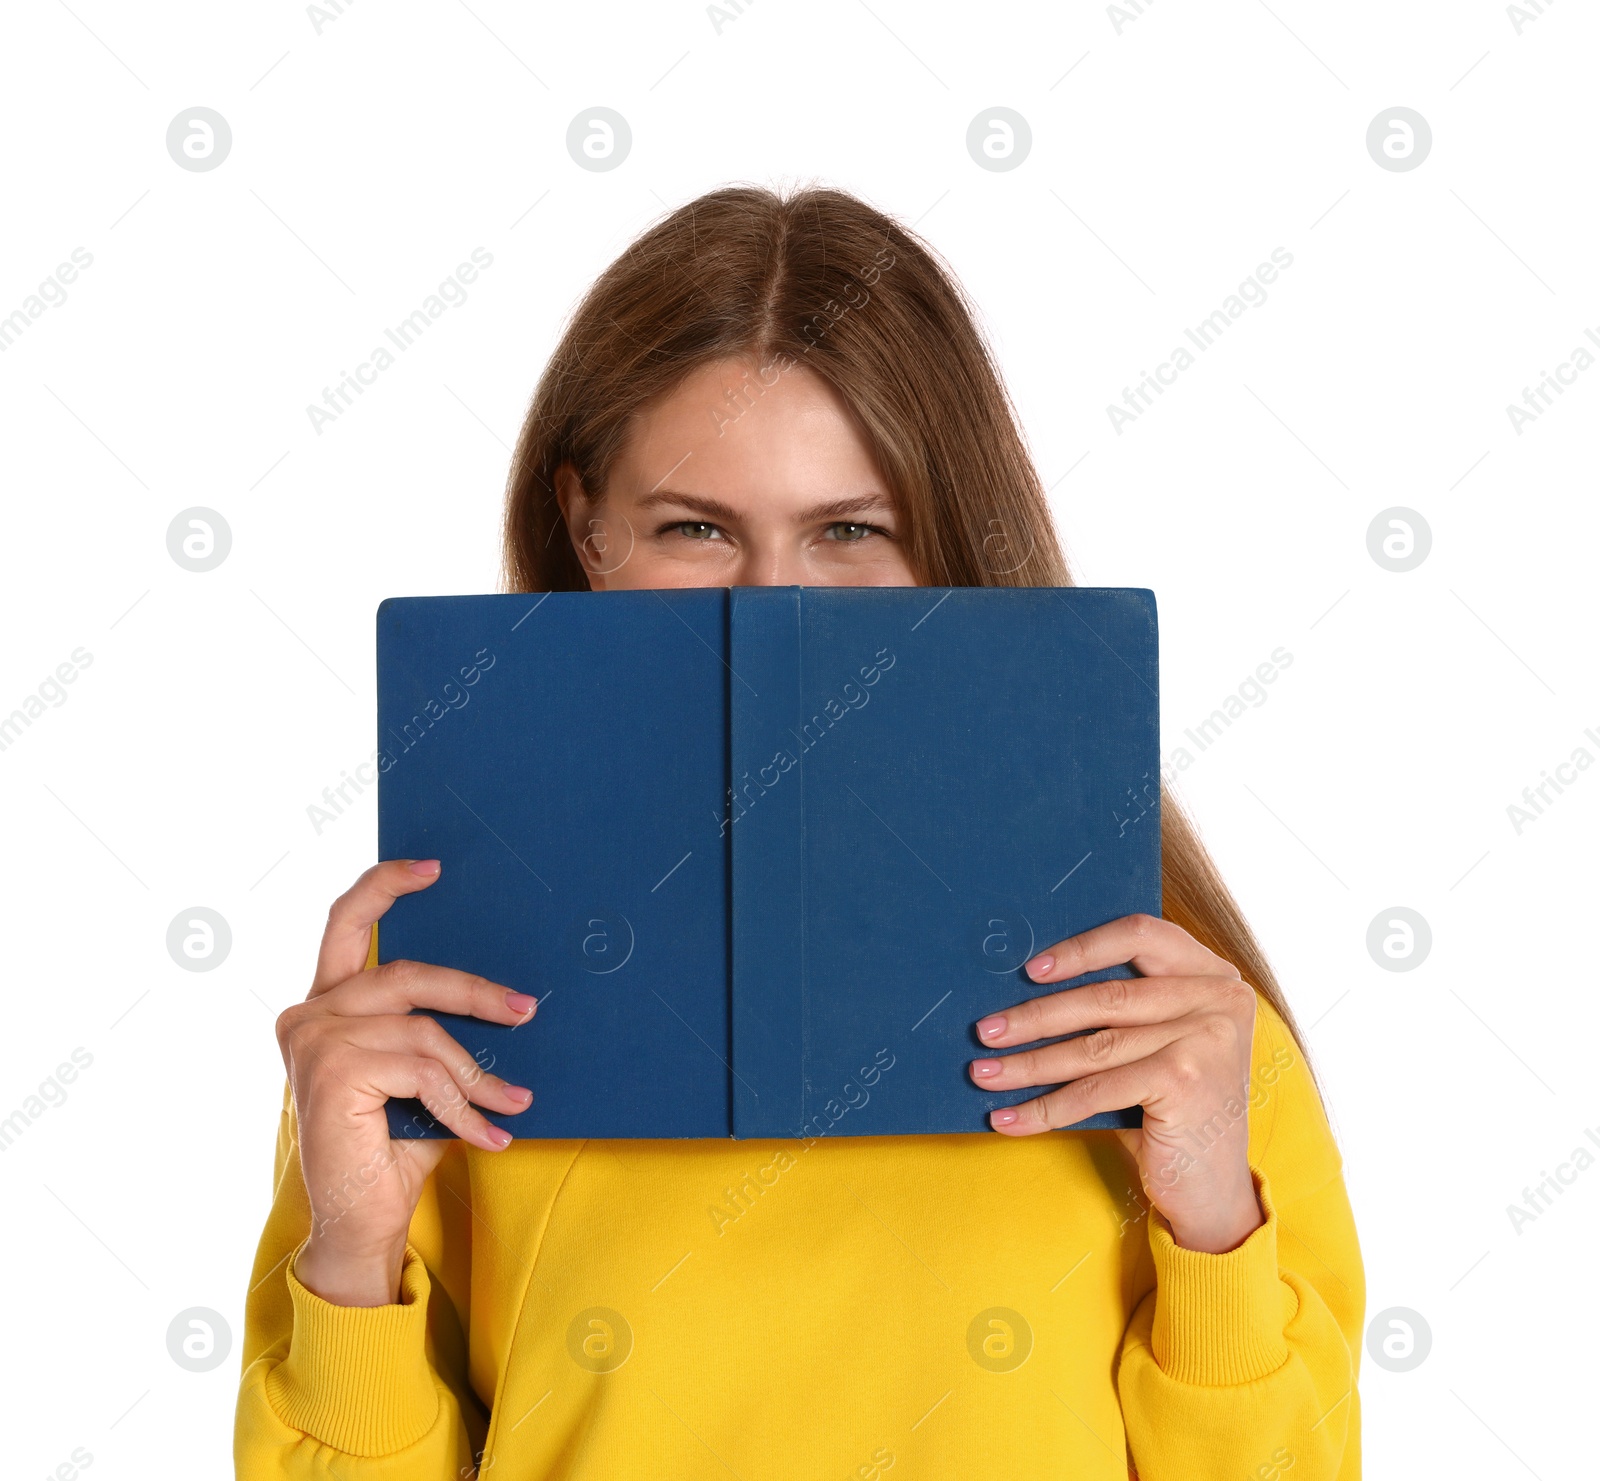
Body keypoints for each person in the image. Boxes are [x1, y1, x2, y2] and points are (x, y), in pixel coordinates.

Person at [235, 185, 1363, 1478]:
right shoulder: (431, 1007)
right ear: (585, 526)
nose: (774, 605)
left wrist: (1214, 1221)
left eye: (849, 530)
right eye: (696, 528)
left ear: (949, 538)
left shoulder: (1171, 1015)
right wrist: (354, 1251)